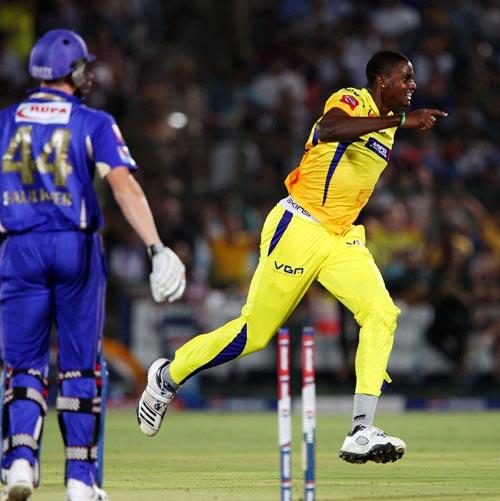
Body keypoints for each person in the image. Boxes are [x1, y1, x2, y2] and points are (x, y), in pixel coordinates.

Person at [137, 50, 446, 464]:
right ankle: (167, 376)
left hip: (341, 237)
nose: (413, 85)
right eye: (405, 78)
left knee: (381, 313)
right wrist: (402, 120)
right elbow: (329, 127)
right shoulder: (353, 100)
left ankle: (360, 429)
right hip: (300, 226)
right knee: (255, 334)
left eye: (413, 79)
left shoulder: (388, 127)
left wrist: (398, 124)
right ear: (380, 80)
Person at [0, 29, 186, 501]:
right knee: (79, 368)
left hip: (18, 251)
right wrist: (156, 247)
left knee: (23, 367)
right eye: (84, 66)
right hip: (75, 249)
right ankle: (80, 478)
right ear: (73, 72)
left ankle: (19, 462)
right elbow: (124, 188)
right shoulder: (92, 120)